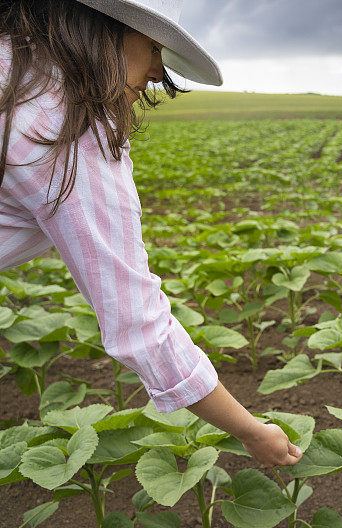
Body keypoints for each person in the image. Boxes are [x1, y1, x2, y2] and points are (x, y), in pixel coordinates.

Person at [0, 0, 302, 468]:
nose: (158, 73)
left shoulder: (13, 71)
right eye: (154, 46)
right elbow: (139, 324)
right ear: (105, 31)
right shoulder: (63, 126)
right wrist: (253, 431)